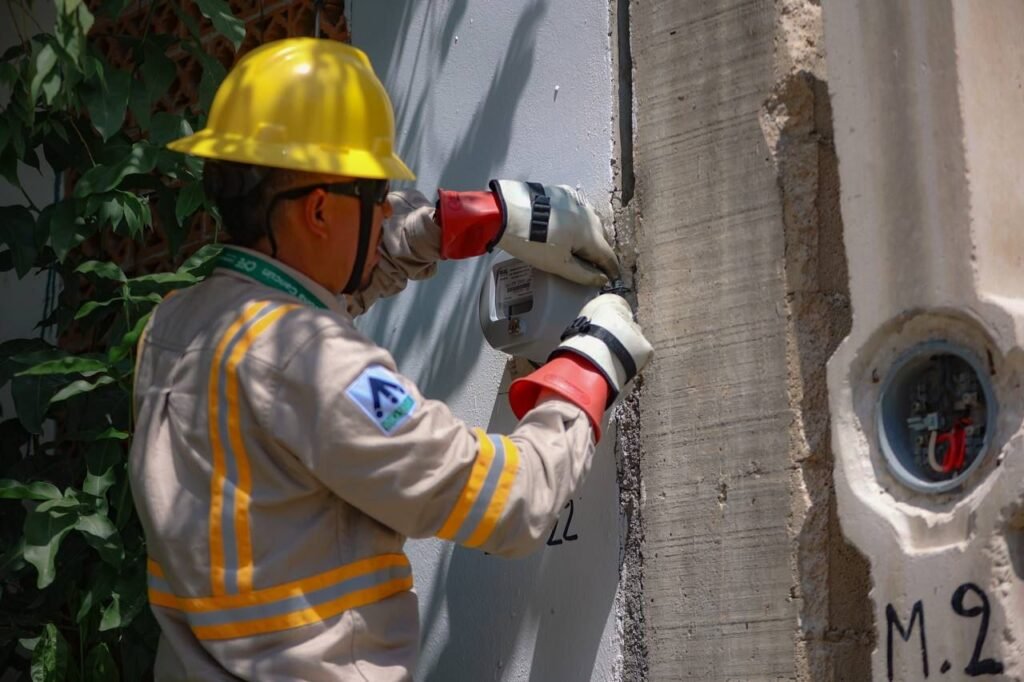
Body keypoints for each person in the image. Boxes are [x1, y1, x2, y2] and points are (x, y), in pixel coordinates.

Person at [130, 37, 653, 681]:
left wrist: (455, 222)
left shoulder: (174, 329)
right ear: (320, 209)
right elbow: (512, 501)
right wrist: (587, 369)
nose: (386, 210)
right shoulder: (318, 365)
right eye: (376, 193)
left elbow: (316, 295)